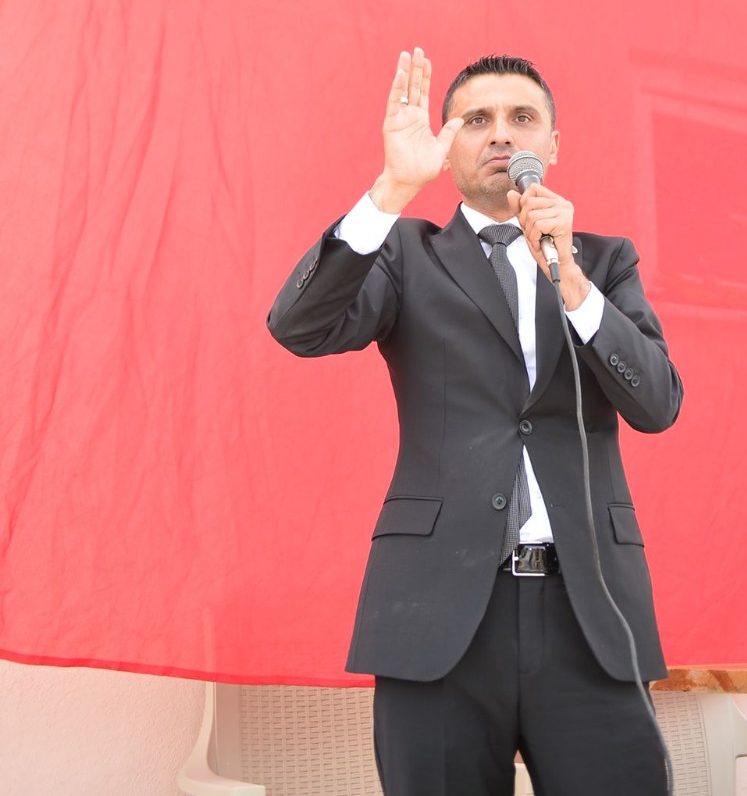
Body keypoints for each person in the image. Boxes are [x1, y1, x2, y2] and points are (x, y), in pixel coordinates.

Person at [268, 46, 682, 796]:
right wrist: (392, 189)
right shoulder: (404, 254)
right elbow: (298, 327)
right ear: (448, 143)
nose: (500, 134)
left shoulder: (604, 262)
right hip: (437, 609)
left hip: (589, 613)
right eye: (476, 119)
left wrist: (572, 280)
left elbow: (656, 404)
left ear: (551, 145)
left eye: (521, 118)